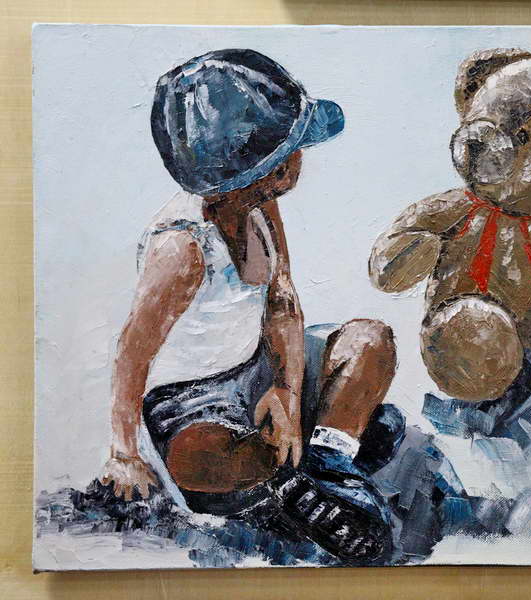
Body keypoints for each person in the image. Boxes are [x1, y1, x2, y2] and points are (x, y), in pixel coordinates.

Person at [98, 49, 402, 565]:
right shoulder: (184, 246)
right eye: (295, 148)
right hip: (192, 400)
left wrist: (287, 390)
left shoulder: (262, 207)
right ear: (273, 167)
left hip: (257, 366)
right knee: (205, 458)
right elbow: (133, 352)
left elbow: (283, 302)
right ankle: (312, 460)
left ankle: (325, 469)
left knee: (370, 340)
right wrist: (124, 452)